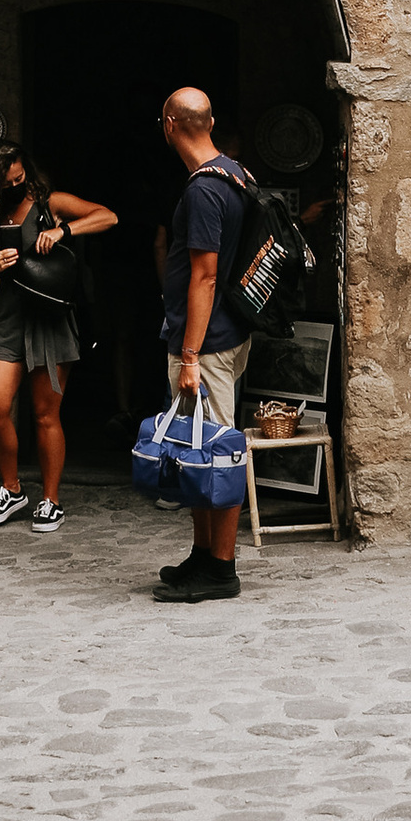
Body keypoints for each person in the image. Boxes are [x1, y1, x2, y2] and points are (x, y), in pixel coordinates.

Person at [0, 144, 118, 535]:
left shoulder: (50, 203)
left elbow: (108, 216)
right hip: (8, 319)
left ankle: (51, 500)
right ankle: (12, 487)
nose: (16, 186)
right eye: (8, 183)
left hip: (51, 319)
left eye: (20, 179)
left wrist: (61, 230)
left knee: (44, 413)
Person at [152, 85, 251, 604]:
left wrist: (189, 356)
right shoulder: (234, 173)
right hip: (225, 335)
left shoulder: (201, 191)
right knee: (197, 450)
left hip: (206, 345)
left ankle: (221, 569)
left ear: (169, 125)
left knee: (218, 454)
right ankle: (202, 555)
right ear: (208, 124)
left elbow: (206, 277)